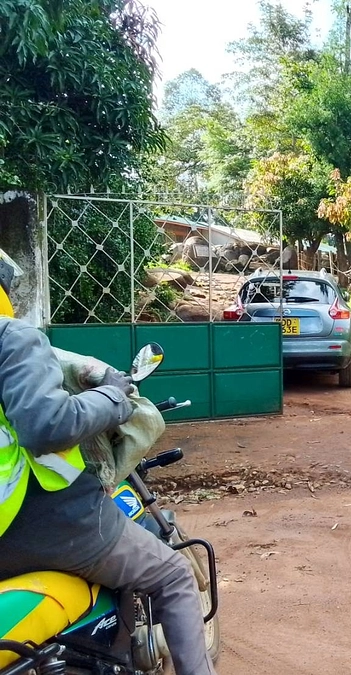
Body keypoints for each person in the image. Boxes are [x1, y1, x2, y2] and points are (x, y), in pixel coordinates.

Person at [0, 248, 216, 675]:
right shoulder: (12, 338)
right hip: (50, 526)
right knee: (173, 575)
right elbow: (46, 425)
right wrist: (113, 397)